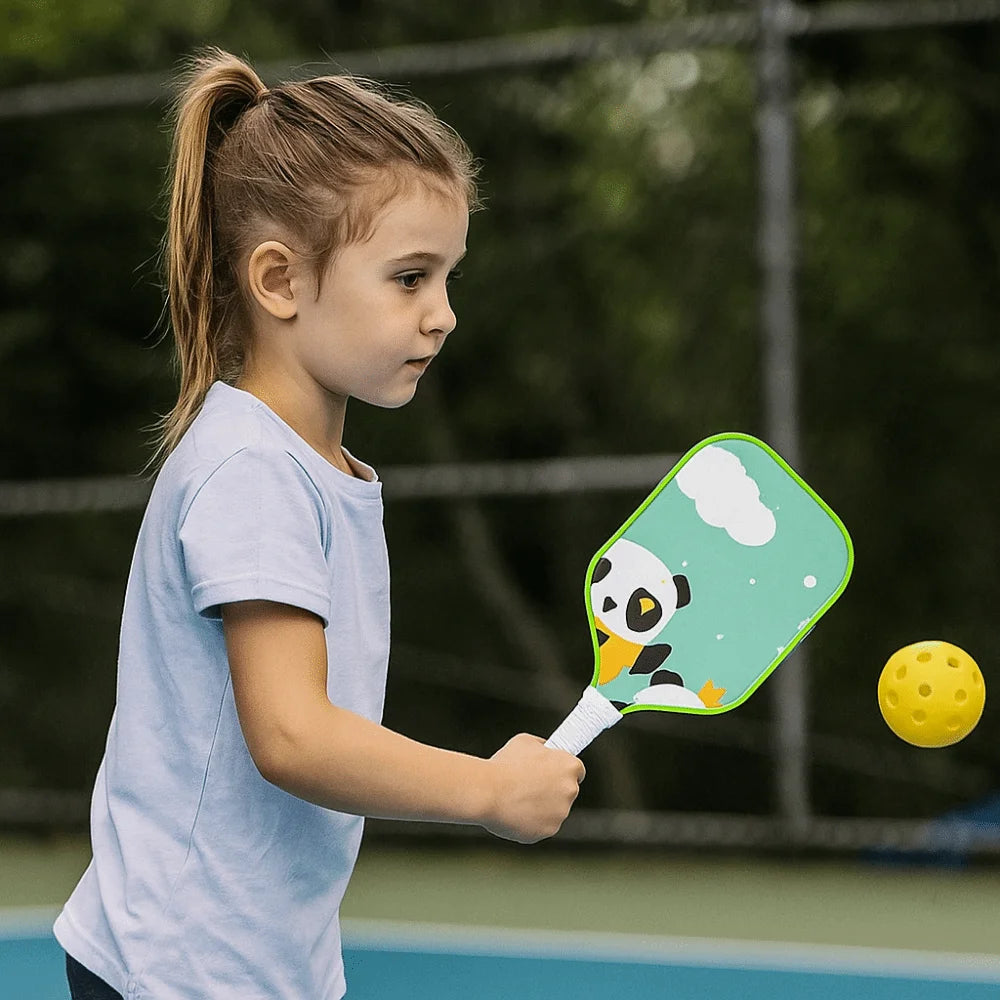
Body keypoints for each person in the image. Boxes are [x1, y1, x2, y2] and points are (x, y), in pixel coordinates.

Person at [53, 47, 586, 1000]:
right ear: (280, 281)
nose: (444, 316)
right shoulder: (253, 471)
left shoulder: (310, 467)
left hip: (252, 966)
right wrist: (487, 790)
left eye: (449, 279)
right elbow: (292, 735)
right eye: (410, 278)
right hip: (181, 973)